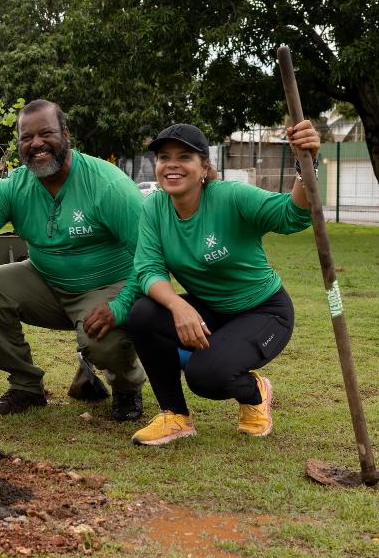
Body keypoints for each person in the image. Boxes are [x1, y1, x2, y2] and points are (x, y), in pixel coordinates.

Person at [0, 99, 147, 421]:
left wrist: (120, 305)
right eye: (26, 138)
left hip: (106, 286)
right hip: (46, 282)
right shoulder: (16, 186)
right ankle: (26, 386)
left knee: (102, 343)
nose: (36, 144)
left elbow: (150, 255)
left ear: (66, 134)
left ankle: (127, 390)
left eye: (46, 133)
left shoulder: (108, 185)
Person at [126, 122, 319, 446]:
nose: (171, 164)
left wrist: (306, 164)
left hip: (264, 313)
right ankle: (174, 415)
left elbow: (292, 215)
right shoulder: (155, 208)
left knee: (206, 376)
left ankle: (255, 392)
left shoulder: (231, 197)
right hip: (211, 309)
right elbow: (148, 270)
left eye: (184, 157)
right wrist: (178, 306)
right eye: (164, 157)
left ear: (204, 167)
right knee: (143, 314)